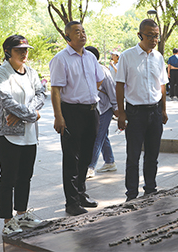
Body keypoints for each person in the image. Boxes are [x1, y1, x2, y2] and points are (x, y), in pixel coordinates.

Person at [0, 35, 46, 235]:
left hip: (29, 134)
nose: (24, 53)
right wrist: (34, 115)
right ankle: (8, 220)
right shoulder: (0, 74)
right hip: (7, 134)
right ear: (8, 52)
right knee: (9, 177)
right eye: (19, 50)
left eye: (25, 50)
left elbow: (41, 94)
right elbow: (6, 102)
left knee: (25, 175)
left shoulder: (31, 72)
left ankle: (22, 214)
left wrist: (26, 115)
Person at [49, 21, 104, 216]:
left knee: (87, 156)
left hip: (91, 111)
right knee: (72, 158)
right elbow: (55, 90)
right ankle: (71, 202)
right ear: (67, 38)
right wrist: (59, 116)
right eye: (77, 32)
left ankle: (81, 194)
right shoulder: (61, 59)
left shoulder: (90, 57)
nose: (82, 35)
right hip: (71, 112)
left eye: (83, 31)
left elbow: (100, 79)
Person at [116, 19, 168, 201]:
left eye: (156, 35)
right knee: (133, 157)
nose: (154, 39)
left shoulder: (159, 57)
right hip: (135, 113)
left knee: (152, 155)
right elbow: (120, 85)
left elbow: (162, 86)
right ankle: (131, 194)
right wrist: (121, 113)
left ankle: (150, 189)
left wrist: (163, 110)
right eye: (150, 35)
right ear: (140, 35)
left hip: (154, 112)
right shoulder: (127, 56)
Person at [85, 46, 118, 179]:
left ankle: (90, 167)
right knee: (102, 136)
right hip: (93, 109)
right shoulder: (86, 70)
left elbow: (112, 90)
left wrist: (116, 108)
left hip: (105, 109)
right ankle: (110, 162)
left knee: (97, 136)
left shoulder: (103, 71)